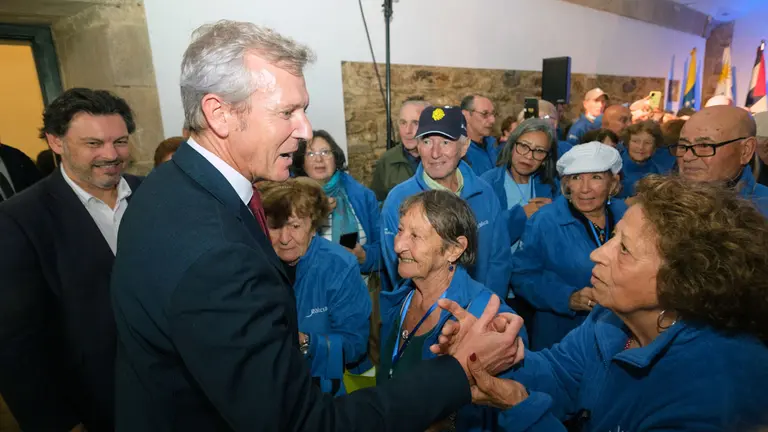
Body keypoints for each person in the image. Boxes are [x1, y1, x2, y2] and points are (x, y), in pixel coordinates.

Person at [111, 20, 522, 431]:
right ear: (220, 113)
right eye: (288, 112)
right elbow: (303, 423)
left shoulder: (164, 187)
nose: (305, 131)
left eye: (303, 110)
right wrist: (456, 373)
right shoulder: (217, 253)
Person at [434, 175, 768, 431]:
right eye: (614, 238)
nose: (598, 254)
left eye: (624, 250)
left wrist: (523, 409)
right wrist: (500, 355)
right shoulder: (609, 320)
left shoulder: (714, 392)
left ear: (683, 280)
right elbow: (560, 373)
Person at [0, 88, 141, 432]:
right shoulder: (19, 219)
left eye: (120, 141)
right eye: (93, 144)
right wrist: (57, 422)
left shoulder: (155, 194)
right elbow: (16, 342)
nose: (111, 154)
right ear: (56, 142)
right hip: (93, 407)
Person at [379, 190, 526, 432]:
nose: (398, 245)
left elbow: (509, 407)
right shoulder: (400, 298)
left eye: (415, 236)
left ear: (454, 250)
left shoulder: (488, 319)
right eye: (400, 230)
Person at [381, 106, 512, 299]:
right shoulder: (398, 200)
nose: (435, 153)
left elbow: (499, 260)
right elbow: (398, 274)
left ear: (464, 146)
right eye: (426, 141)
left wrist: (484, 310)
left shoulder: (484, 193)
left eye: (445, 142)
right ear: (418, 146)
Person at [260, 178, 371, 396]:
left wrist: (307, 343)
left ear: (313, 225)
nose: (284, 239)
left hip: (320, 391)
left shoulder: (338, 266)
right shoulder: (253, 263)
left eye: (294, 226)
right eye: (275, 226)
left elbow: (355, 343)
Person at [510, 142, 626, 350]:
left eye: (596, 177)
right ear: (566, 184)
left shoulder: (625, 215)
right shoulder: (546, 221)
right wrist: (568, 297)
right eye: (576, 178)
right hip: (563, 336)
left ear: (613, 183)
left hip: (618, 333)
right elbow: (522, 275)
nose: (585, 188)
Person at [292, 129, 381, 274]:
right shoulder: (291, 200)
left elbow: (386, 250)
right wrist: (317, 213)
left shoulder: (363, 196)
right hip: (316, 292)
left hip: (362, 288)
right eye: (311, 154)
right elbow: (290, 253)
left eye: (325, 152)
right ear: (302, 163)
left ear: (336, 158)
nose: (319, 159)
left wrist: (365, 257)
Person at [481, 118, 559, 253]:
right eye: (524, 146)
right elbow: (483, 238)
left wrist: (554, 214)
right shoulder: (488, 184)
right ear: (511, 146)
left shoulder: (551, 186)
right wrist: (523, 214)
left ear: (546, 159)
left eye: (539, 151)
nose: (529, 156)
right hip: (500, 270)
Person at [675, 105, 768, 216]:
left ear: (745, 151)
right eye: (683, 146)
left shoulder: (762, 211)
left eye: (705, 146)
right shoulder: (658, 206)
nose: (687, 157)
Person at [370, 97, 430, 201]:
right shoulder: (387, 161)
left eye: (416, 123)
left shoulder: (442, 159)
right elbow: (376, 204)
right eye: (403, 123)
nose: (408, 130)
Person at [617, 120, 663, 198]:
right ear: (627, 143)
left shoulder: (658, 173)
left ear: (655, 147)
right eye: (635, 141)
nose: (641, 147)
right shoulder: (614, 167)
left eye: (647, 143)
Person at [461, 94, 499, 175]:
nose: (492, 120)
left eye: (493, 114)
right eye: (484, 114)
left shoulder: (494, 145)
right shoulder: (459, 152)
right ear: (466, 115)